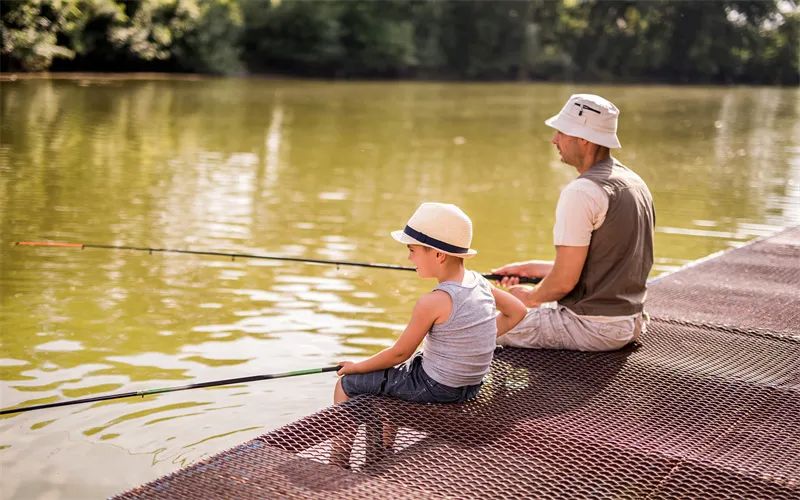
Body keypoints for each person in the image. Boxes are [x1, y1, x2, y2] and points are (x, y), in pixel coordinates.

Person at [493, 94, 655, 352]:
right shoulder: (634, 182)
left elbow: (563, 282)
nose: (554, 140)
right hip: (629, 322)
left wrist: (530, 297)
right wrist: (530, 268)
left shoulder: (582, 191)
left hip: (589, 327)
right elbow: (609, 265)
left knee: (473, 327)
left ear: (583, 138)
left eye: (561, 132)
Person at [334, 202, 527, 405]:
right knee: (403, 369)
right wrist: (472, 340)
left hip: (436, 388)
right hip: (471, 386)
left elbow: (400, 353)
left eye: (412, 250)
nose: (409, 258)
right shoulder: (479, 283)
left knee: (347, 384)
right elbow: (518, 311)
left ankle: (342, 428)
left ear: (438, 255)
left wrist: (356, 367)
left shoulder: (434, 301)